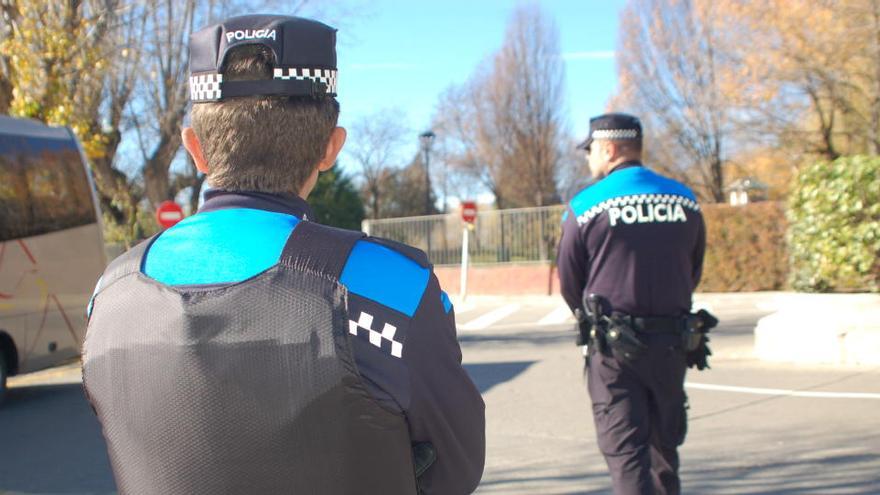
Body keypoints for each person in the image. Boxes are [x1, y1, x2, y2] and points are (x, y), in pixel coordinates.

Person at [82, 15, 484, 495]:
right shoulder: (388, 289)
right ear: (331, 148)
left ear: (195, 148)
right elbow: (456, 467)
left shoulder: (111, 294)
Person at [556, 113, 709, 495]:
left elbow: (570, 282)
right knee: (664, 452)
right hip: (673, 342)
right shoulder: (685, 200)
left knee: (626, 456)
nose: (589, 159)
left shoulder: (586, 205)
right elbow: (693, 270)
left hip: (613, 350)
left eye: (591, 151)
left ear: (609, 149)